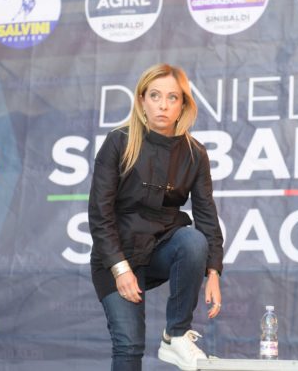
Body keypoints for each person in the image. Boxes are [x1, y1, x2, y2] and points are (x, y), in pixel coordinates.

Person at [88, 63, 224, 371]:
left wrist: (214, 271)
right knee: (129, 344)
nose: (163, 105)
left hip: (160, 249)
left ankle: (175, 335)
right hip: (117, 254)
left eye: (172, 97)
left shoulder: (195, 153)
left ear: (183, 105)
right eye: (155, 95)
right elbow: (100, 213)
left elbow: (206, 215)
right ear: (141, 100)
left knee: (193, 240)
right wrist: (120, 268)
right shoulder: (118, 141)